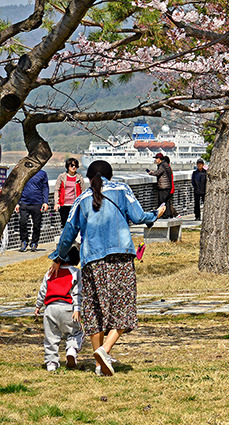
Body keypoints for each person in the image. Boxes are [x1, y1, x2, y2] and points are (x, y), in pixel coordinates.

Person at [51, 160, 165, 376]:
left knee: (94, 308)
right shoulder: (122, 189)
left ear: (89, 177)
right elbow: (138, 216)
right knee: (124, 304)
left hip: (92, 260)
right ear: (109, 175)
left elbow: (68, 233)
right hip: (120, 255)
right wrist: (155, 214)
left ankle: (98, 364)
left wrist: (58, 256)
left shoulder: (81, 199)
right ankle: (105, 350)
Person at [37, 244, 83, 371]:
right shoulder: (76, 272)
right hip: (68, 308)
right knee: (76, 332)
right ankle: (72, 350)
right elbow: (77, 292)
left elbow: (43, 290)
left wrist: (38, 306)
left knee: (51, 337)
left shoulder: (50, 272)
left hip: (50, 309)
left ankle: (51, 363)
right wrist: (77, 308)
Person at [18, 166, 51, 252]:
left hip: (37, 203)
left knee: (36, 225)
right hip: (24, 203)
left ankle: (34, 242)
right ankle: (24, 241)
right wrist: (17, 203)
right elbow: (18, 188)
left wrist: (45, 202)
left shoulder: (42, 174)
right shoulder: (24, 173)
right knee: (22, 222)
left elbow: (45, 188)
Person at [54, 159, 84, 228]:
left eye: (76, 166)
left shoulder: (79, 177)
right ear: (68, 166)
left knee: (74, 224)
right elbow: (56, 190)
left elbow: (83, 190)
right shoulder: (62, 176)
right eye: (72, 165)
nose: (74, 167)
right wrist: (56, 203)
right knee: (64, 223)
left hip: (75, 204)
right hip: (64, 204)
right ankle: (65, 238)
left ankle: (73, 238)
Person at [147, 153, 175, 218]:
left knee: (162, 202)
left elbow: (158, 173)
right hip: (168, 186)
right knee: (167, 202)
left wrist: (151, 173)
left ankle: (164, 215)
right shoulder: (166, 165)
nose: (155, 160)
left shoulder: (162, 165)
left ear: (159, 159)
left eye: (156, 158)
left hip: (163, 186)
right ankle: (167, 215)